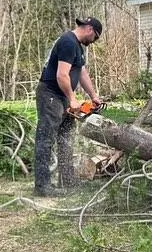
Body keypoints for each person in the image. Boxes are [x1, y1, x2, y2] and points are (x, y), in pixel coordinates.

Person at [34, 17, 103, 196]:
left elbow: (81, 73)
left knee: (66, 138)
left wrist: (93, 96)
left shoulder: (77, 47)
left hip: (62, 96)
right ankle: (42, 186)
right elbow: (61, 75)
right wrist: (72, 99)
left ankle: (67, 179)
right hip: (50, 94)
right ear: (89, 29)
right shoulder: (68, 42)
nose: (93, 41)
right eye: (95, 37)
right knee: (45, 139)